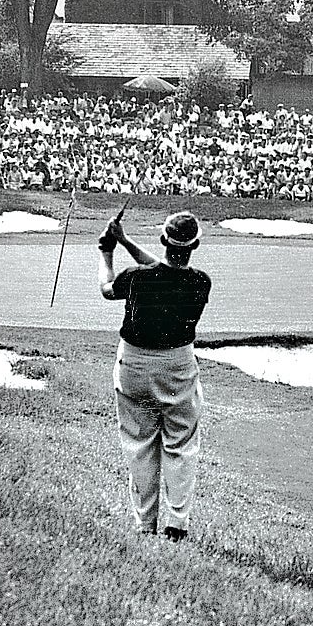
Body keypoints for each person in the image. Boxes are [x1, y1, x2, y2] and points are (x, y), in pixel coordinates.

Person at [97, 209, 211, 541]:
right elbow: (165, 272)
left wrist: (107, 251)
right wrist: (125, 240)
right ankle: (177, 524)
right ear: (196, 245)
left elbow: (107, 287)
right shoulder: (200, 282)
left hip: (133, 364)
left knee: (140, 444)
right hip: (177, 364)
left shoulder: (136, 278)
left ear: (163, 240)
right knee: (181, 443)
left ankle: (144, 525)